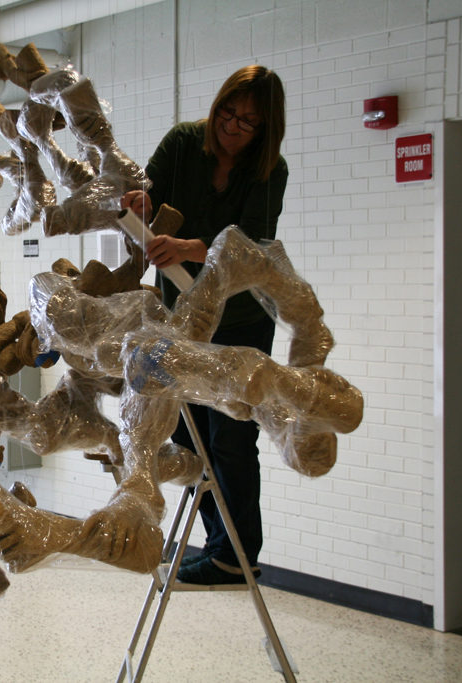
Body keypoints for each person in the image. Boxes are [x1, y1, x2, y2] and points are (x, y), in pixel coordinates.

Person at [121, 64, 287, 585]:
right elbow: (145, 188)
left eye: (248, 122)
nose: (232, 127)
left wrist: (190, 247)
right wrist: (139, 202)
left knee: (231, 438)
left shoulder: (270, 169)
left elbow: (252, 246)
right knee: (187, 435)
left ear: (266, 128)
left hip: (242, 318)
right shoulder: (183, 143)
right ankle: (220, 543)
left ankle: (236, 556)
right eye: (226, 114)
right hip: (186, 316)